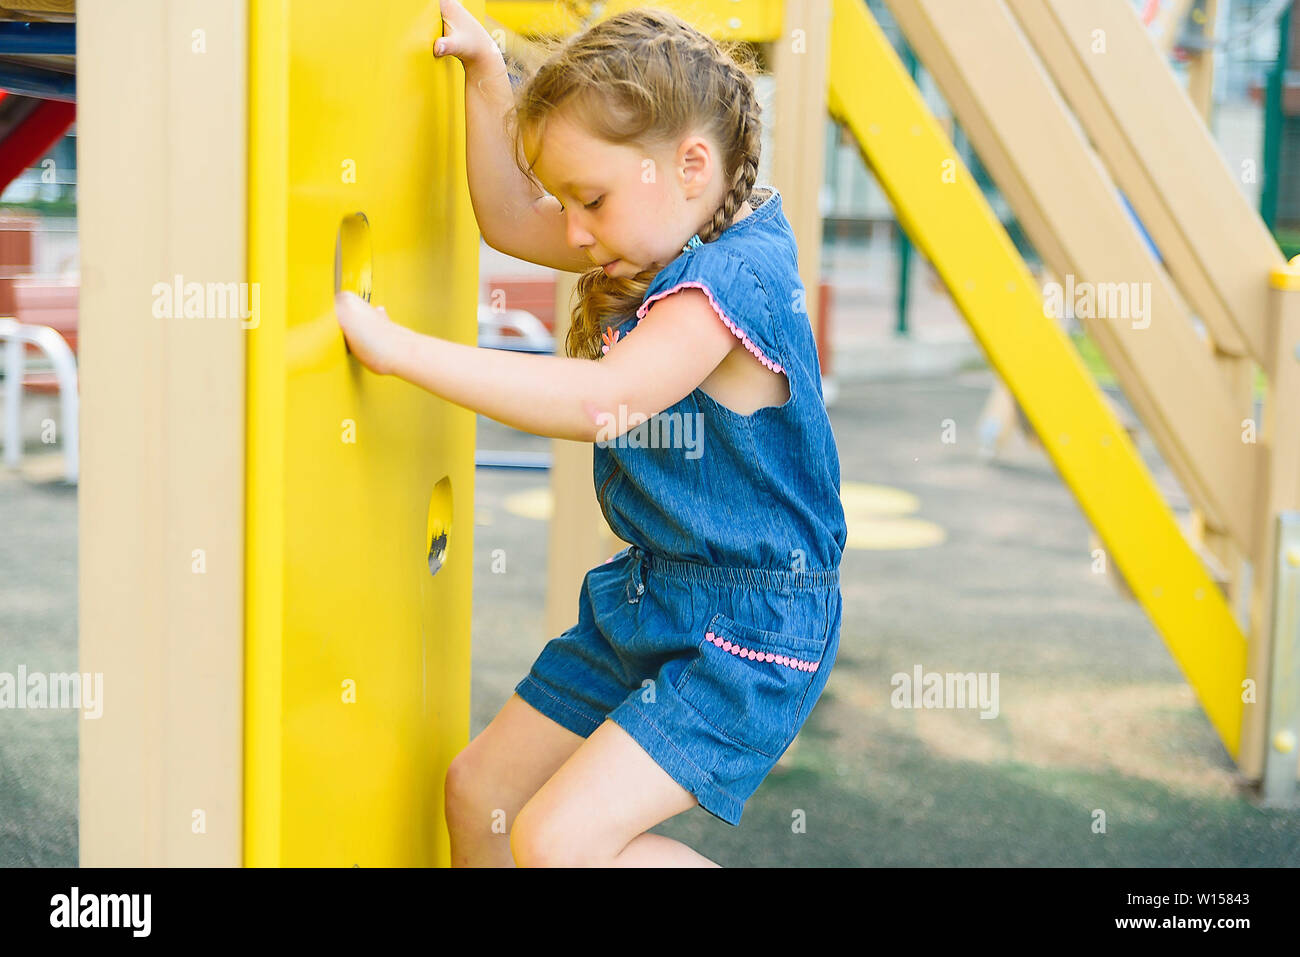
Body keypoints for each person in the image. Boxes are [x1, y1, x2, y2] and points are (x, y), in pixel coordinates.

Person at [334, 0, 847, 867]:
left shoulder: (726, 279)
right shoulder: (651, 227)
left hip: (749, 625)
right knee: (481, 795)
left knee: (557, 842)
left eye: (590, 200)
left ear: (690, 164)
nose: (572, 232)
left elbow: (601, 399)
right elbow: (506, 219)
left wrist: (400, 352)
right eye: (569, 201)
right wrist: (488, 76)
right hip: (654, 592)